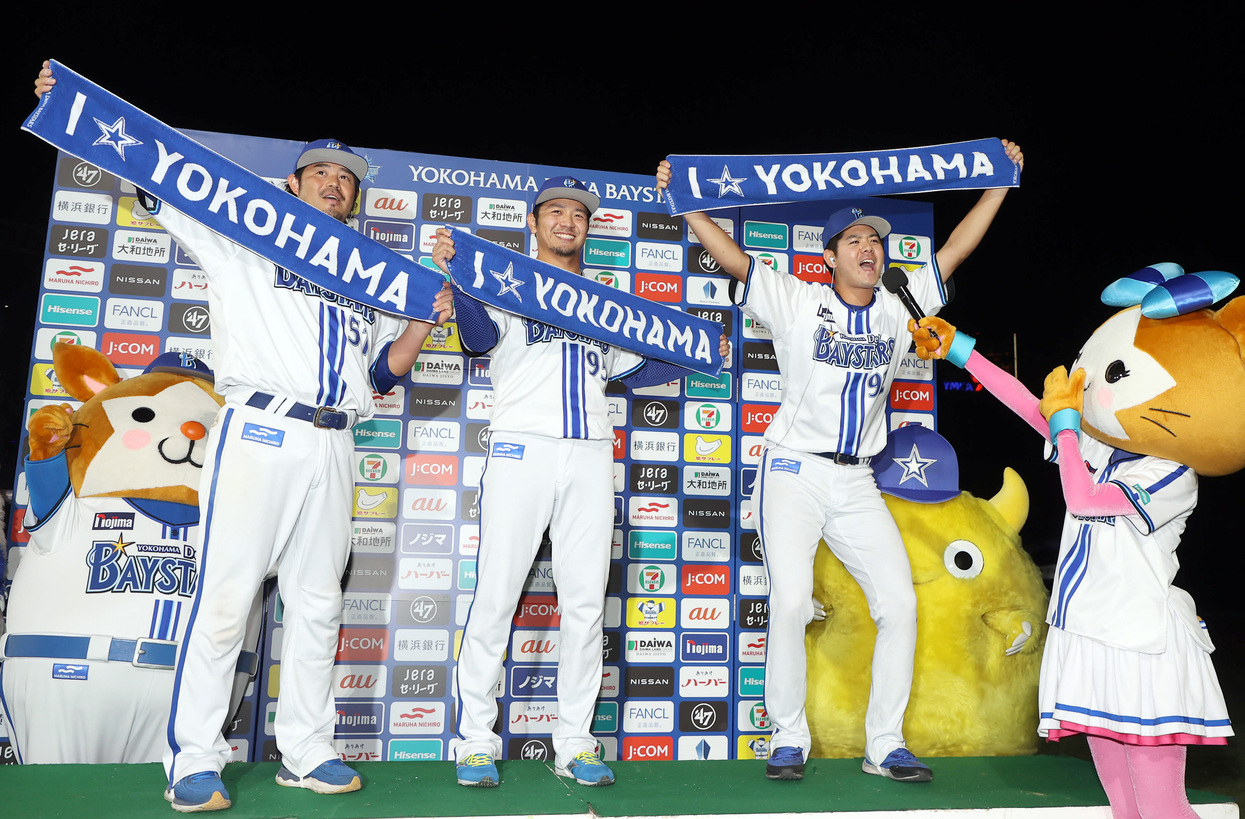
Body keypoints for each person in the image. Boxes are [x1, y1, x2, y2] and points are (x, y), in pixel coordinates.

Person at [35, 63, 453, 813]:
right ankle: (195, 757)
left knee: (318, 602)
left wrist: (422, 319)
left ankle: (307, 747)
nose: (333, 183)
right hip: (259, 427)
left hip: (334, 440)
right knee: (227, 597)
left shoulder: (367, 275)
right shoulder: (246, 236)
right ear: (292, 187)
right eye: (319, 172)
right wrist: (69, 106)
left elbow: (381, 373)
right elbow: (156, 177)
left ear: (355, 197)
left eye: (345, 178)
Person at [656, 139, 1023, 783]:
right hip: (794, 469)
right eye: (853, 240)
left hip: (857, 478)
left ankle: (884, 743)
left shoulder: (897, 306)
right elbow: (735, 260)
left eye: (875, 241)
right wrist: (685, 204)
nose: (868, 248)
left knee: (900, 606)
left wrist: (999, 183)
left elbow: (958, 250)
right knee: (793, 598)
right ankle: (788, 735)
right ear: (830, 258)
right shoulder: (798, 301)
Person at [433, 177, 728, 788]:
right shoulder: (506, 278)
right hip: (523, 446)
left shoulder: (604, 298)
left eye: (579, 215)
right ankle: (475, 740)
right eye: (556, 212)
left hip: (592, 451)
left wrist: (701, 351)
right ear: (535, 221)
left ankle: (574, 741)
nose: (569, 221)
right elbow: (479, 341)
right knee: (496, 596)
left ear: (588, 229)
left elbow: (639, 368)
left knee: (586, 605)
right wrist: (460, 281)